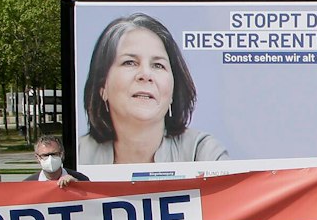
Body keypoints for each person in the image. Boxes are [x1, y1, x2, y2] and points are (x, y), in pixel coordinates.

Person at [77, 13, 230, 165]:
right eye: (130, 62)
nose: (145, 75)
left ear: (173, 91)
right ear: (102, 86)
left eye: (158, 65)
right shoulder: (78, 155)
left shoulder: (202, 152)